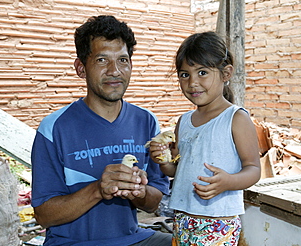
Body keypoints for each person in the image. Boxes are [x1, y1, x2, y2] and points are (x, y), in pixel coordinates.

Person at [31, 15, 172, 246]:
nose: (114, 71)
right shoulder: (54, 128)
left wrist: (139, 192)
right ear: (81, 68)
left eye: (123, 60)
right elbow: (44, 215)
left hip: (132, 238)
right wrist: (98, 189)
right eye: (102, 60)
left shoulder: (146, 121)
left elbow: (153, 203)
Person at [149, 31, 261, 245]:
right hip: (182, 218)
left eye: (202, 72)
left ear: (226, 73)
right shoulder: (184, 121)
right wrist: (163, 160)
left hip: (218, 221)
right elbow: (177, 170)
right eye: (184, 74)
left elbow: (254, 169)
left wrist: (229, 181)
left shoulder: (235, 118)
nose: (192, 83)